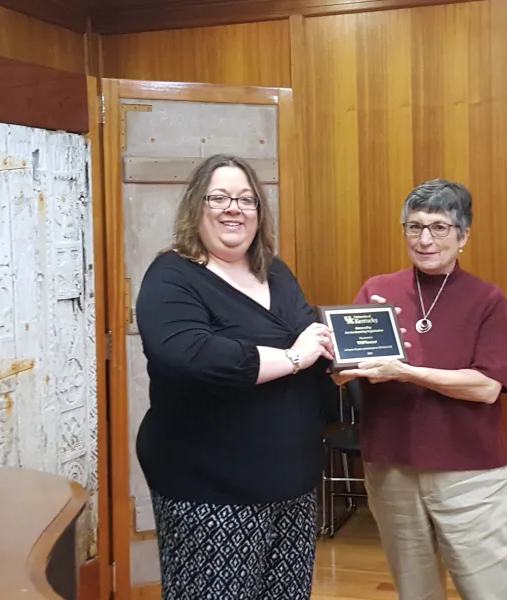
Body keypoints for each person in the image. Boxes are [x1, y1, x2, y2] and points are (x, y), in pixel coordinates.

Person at [134, 153, 337, 600]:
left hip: (293, 483)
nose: (234, 208)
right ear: (196, 206)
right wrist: (294, 358)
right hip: (212, 489)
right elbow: (197, 356)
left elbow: (310, 332)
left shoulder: (276, 272)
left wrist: (331, 359)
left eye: (247, 199)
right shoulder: (171, 277)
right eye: (220, 197)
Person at [334, 179, 507, 600]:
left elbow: (486, 388)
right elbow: (347, 367)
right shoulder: (378, 289)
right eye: (414, 227)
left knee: (490, 590)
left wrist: (408, 372)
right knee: (415, 591)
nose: (424, 240)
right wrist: (336, 363)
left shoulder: (485, 298)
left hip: (469, 475)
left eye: (439, 227)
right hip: (392, 470)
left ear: (463, 235)